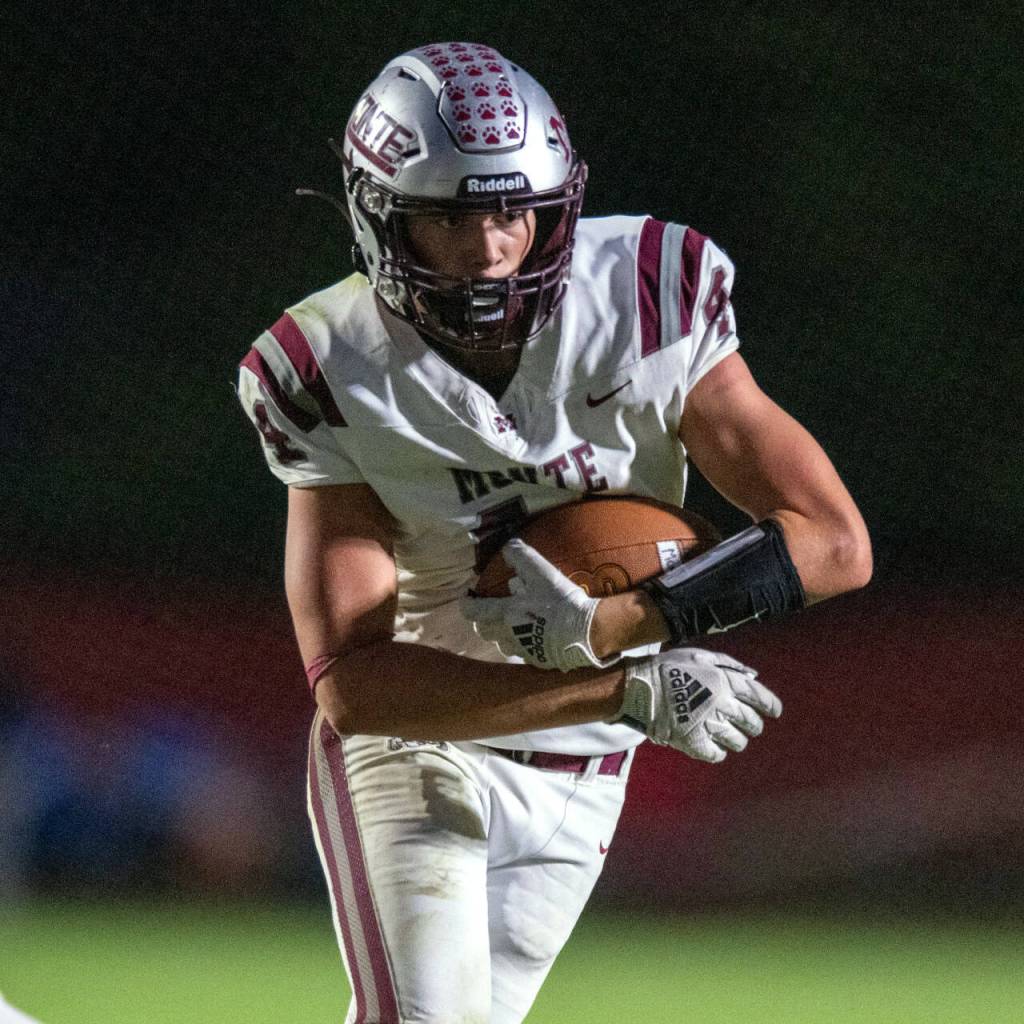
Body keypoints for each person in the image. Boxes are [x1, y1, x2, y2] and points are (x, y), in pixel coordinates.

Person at [237, 41, 871, 1024]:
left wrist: (627, 623)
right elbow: (355, 682)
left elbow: (833, 541)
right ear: (380, 215)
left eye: (511, 210)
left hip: (589, 760)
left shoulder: (646, 290)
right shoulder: (325, 365)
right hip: (424, 737)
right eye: (450, 215)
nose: (491, 247)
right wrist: (626, 680)